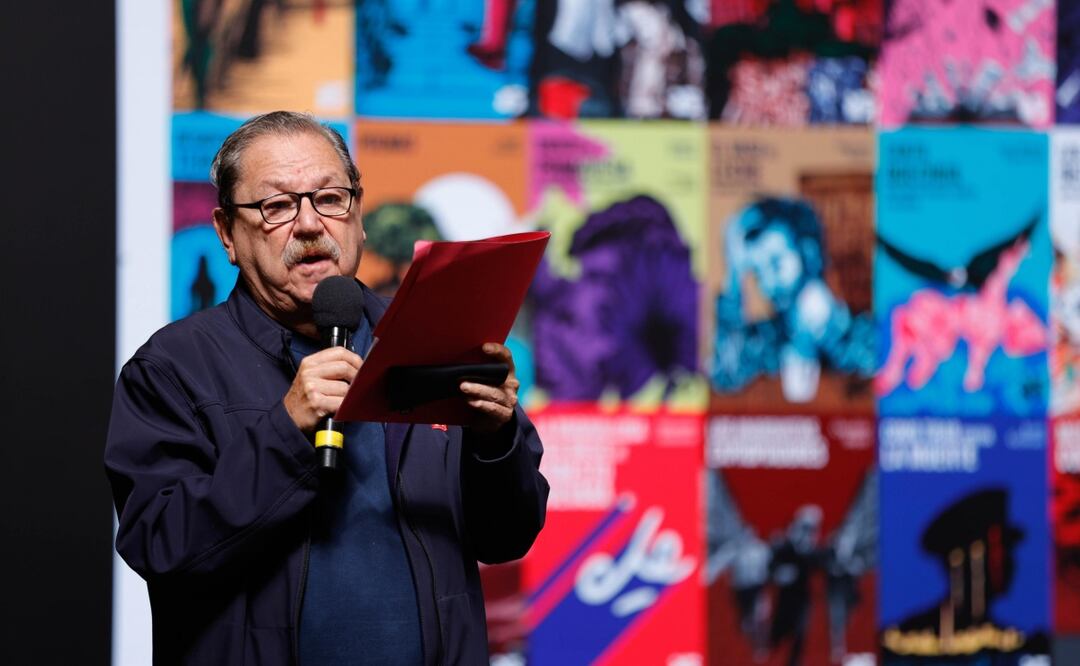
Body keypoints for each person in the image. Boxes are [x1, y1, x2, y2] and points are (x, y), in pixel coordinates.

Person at [105, 111, 549, 665]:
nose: (311, 225)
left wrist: (496, 441)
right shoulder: (172, 368)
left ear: (357, 216)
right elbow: (161, 545)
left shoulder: (432, 339)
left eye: (330, 199)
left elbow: (507, 536)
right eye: (277, 206)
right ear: (227, 234)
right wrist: (286, 431)